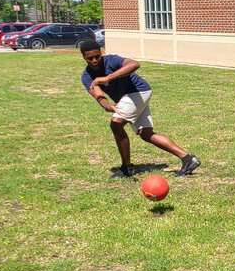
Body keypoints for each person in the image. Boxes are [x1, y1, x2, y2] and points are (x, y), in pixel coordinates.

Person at [79, 40, 201, 178]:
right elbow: (98, 95)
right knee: (146, 133)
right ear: (84, 57)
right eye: (90, 58)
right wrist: (107, 106)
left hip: (138, 91)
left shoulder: (112, 60)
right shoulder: (87, 76)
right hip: (130, 97)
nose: (94, 60)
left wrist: (108, 77)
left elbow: (134, 64)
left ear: (101, 53)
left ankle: (126, 168)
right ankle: (188, 159)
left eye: (97, 56)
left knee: (116, 124)